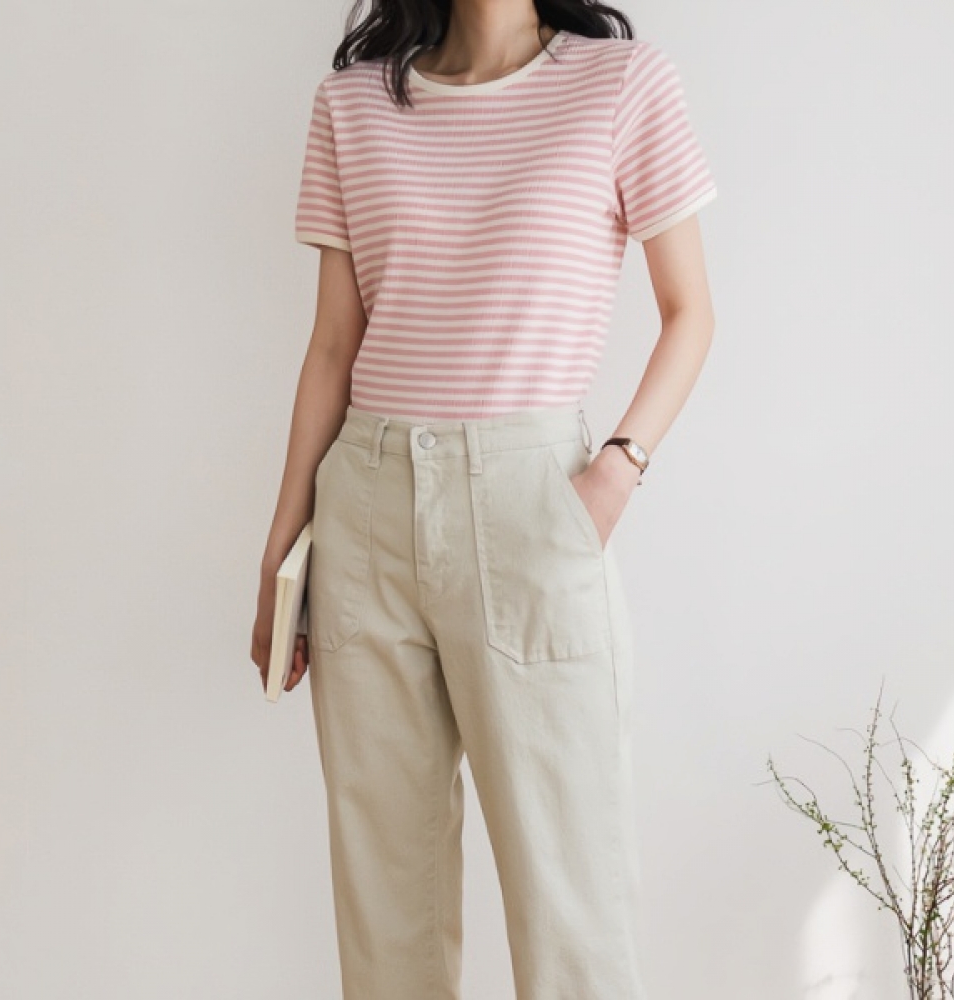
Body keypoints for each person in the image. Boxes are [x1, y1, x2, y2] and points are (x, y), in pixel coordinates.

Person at [251, 2, 717, 997]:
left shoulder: (621, 83)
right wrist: (283, 547)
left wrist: (616, 470)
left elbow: (691, 314)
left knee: (572, 905)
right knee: (387, 913)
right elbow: (332, 345)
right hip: (364, 513)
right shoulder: (351, 105)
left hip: (533, 506)